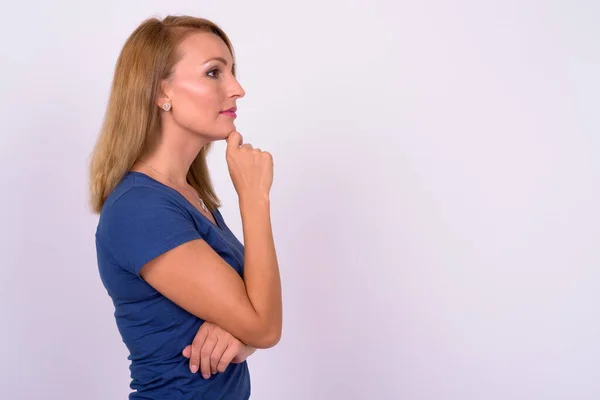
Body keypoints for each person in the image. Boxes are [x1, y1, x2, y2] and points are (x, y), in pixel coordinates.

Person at [89, 15, 282, 400]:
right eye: (214, 73)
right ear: (162, 93)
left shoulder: (189, 197)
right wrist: (255, 198)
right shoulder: (141, 209)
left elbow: (257, 313)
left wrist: (242, 336)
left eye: (232, 71)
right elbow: (266, 324)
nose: (237, 88)